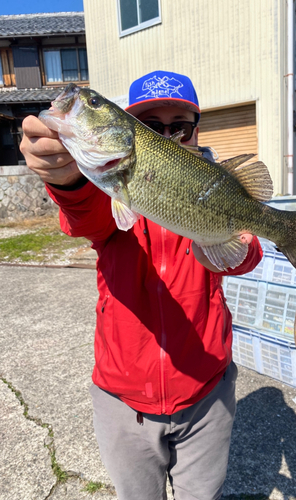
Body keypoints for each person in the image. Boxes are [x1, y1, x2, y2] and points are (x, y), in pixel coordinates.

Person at [20, 70, 263, 500]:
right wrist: (66, 178)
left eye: (180, 127)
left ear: (195, 130)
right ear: (131, 132)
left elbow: (249, 248)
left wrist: (239, 253)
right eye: (152, 127)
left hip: (208, 389)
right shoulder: (107, 187)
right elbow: (83, 214)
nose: (168, 137)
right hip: (123, 398)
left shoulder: (213, 185)